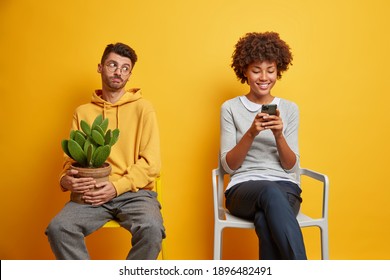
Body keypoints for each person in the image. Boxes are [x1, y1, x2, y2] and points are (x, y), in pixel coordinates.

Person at [46, 43, 165, 260]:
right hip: (91, 193)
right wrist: (65, 180)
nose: (118, 72)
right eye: (113, 64)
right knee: (58, 228)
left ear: (130, 75)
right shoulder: (83, 112)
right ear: (100, 67)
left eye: (125, 68)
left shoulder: (143, 108)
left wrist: (117, 187)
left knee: (151, 229)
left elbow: (152, 164)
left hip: (134, 193)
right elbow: (71, 161)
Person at [220, 32, 307, 260]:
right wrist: (251, 132)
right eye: (256, 70)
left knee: (264, 217)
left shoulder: (289, 109)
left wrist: (279, 135)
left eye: (270, 70)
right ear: (244, 72)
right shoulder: (229, 108)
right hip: (243, 189)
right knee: (269, 191)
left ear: (279, 70)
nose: (263, 77)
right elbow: (229, 167)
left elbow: (290, 168)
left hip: (285, 187)